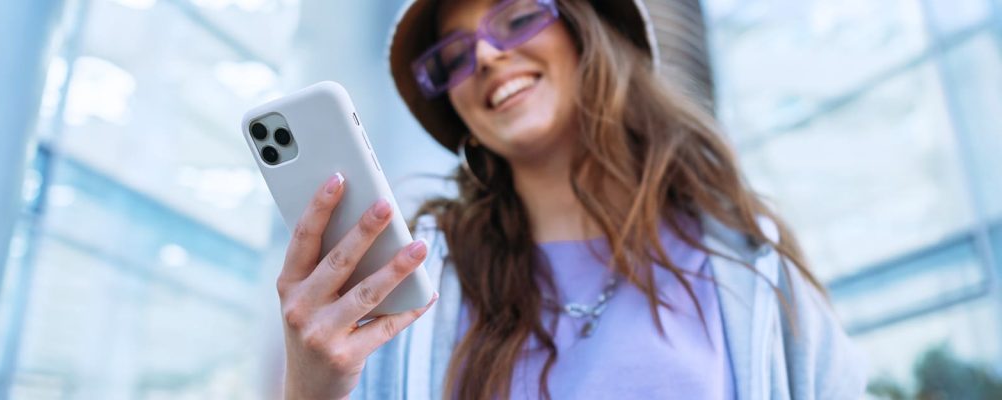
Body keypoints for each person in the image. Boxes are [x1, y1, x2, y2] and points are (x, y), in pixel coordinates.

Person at [275, 0, 867, 399]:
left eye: (516, 16)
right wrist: (309, 387)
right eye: (452, 57)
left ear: (585, 28)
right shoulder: (414, 283)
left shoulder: (749, 260)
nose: (483, 56)